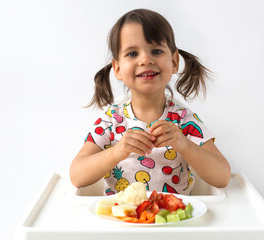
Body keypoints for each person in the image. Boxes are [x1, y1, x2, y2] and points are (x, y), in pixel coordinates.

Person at [70, 9, 230, 195]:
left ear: (174, 61)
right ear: (118, 68)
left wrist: (184, 145)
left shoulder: (185, 120)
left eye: (156, 51)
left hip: (176, 220)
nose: (146, 59)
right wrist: (117, 151)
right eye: (132, 54)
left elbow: (223, 176)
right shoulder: (111, 121)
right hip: (122, 219)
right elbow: (76, 175)